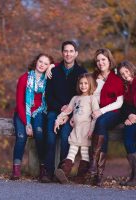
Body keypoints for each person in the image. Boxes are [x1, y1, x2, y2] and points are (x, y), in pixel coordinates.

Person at [41, 40, 87, 182]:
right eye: (65, 51)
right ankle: (46, 171)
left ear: (76, 53)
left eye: (71, 51)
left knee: (67, 136)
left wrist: (69, 111)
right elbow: (48, 95)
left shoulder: (82, 72)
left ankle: (61, 172)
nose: (68, 54)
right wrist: (60, 108)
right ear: (62, 53)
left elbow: (83, 95)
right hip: (55, 110)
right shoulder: (54, 71)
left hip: (73, 113)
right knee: (50, 136)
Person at [11, 53, 54, 180]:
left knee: (39, 133)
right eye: (40, 61)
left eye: (46, 64)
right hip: (23, 112)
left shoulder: (49, 78)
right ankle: (16, 170)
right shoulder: (24, 78)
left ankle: (43, 169)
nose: (42, 65)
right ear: (36, 61)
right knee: (21, 136)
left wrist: (52, 66)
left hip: (40, 112)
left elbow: (61, 65)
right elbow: (19, 103)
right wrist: (27, 124)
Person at [53, 73, 99, 184]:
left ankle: (81, 176)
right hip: (76, 129)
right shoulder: (75, 98)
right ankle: (64, 173)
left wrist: (92, 130)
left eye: (86, 83)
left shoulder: (92, 99)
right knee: (71, 151)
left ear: (90, 84)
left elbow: (96, 116)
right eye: (81, 83)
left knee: (84, 153)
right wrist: (57, 121)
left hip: (86, 130)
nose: (83, 86)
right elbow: (67, 111)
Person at [88, 48, 124, 186]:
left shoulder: (116, 78)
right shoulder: (93, 78)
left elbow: (119, 102)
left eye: (103, 59)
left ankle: (94, 166)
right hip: (96, 113)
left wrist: (101, 111)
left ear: (109, 60)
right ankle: (99, 174)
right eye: (98, 60)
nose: (100, 62)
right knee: (101, 125)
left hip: (114, 112)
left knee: (101, 121)